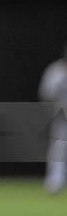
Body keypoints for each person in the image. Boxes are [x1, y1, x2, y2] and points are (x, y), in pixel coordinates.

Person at [38, 43, 67, 193]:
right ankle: (54, 182)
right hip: (62, 118)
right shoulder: (56, 71)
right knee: (58, 150)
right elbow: (46, 93)